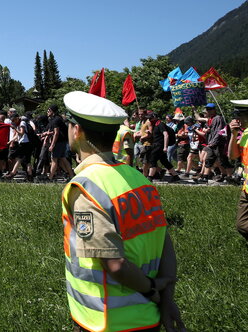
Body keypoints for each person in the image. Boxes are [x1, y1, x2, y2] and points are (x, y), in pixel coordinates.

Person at [60, 91, 184, 332]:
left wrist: (151, 290)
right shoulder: (139, 178)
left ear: (78, 131)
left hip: (105, 321)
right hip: (148, 317)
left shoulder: (85, 187)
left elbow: (114, 263)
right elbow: (163, 240)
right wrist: (166, 298)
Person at [227, 100, 248, 242]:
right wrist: (234, 134)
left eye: (239, 115)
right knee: (242, 225)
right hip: (247, 189)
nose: (237, 120)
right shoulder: (246, 133)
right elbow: (233, 155)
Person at [47, 104, 74, 181]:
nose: (47, 112)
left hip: (59, 142)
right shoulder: (57, 119)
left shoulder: (56, 120)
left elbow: (56, 133)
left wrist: (52, 145)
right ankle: (71, 175)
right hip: (63, 141)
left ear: (52, 111)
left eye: (49, 110)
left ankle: (50, 178)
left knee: (54, 159)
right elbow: (56, 132)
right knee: (63, 159)